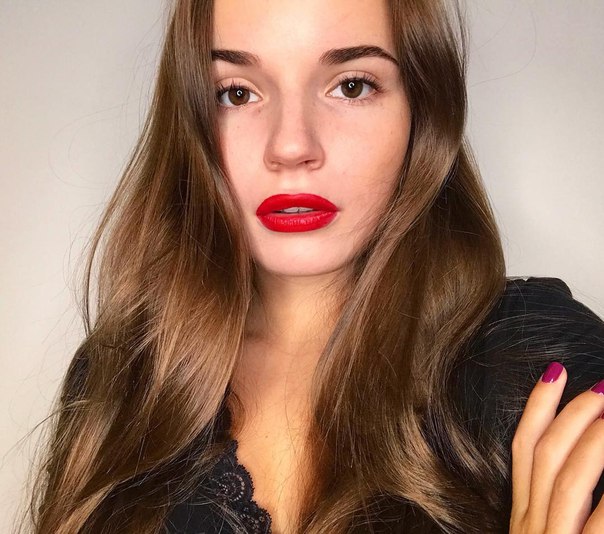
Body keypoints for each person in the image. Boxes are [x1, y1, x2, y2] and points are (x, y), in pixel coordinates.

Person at [18, 1, 604, 533]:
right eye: (237, 93)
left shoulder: (532, 360)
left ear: (422, 112)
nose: (291, 146)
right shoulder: (124, 375)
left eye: (351, 86)